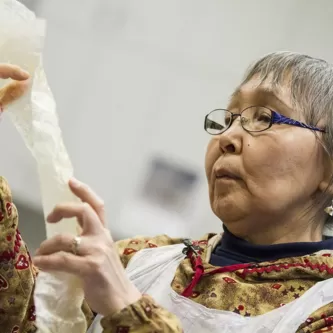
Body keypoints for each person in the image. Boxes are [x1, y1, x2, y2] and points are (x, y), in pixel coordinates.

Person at [2, 51, 333, 333]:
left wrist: (127, 308)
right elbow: (26, 321)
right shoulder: (141, 258)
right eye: (229, 117)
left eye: (264, 117)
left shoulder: (322, 309)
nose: (228, 137)